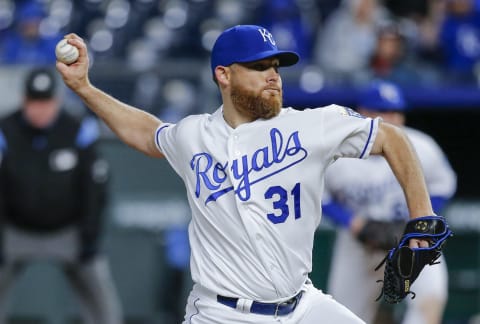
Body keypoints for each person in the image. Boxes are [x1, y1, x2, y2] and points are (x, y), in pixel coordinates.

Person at [57, 25, 441, 324]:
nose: (272, 76)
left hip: (301, 307)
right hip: (220, 313)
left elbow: (392, 137)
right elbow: (146, 132)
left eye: (275, 67)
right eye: (259, 67)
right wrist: (85, 88)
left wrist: (421, 216)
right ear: (224, 75)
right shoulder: (194, 135)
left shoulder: (312, 126)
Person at [322, 80, 457, 324]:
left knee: (431, 300)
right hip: (360, 242)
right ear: (362, 113)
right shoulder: (337, 153)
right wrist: (351, 222)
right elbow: (320, 197)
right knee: (343, 317)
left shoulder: (421, 146)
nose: (391, 118)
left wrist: (420, 219)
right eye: (382, 111)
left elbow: (443, 185)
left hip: (414, 239)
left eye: (396, 112)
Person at [0, 67, 123, 324]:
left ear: (56, 102)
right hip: (15, 230)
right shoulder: (5, 131)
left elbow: (94, 189)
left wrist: (89, 237)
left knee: (99, 293)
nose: (40, 109)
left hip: (68, 231)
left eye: (46, 102)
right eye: (35, 102)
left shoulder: (77, 129)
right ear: (24, 101)